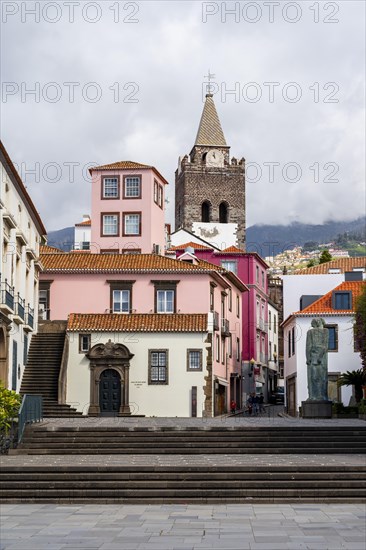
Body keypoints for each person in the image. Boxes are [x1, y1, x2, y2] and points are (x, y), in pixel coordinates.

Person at [306, 318, 329, 401]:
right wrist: (309, 358)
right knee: (315, 377)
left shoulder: (323, 331)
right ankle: (315, 396)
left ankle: (319, 396)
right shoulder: (311, 332)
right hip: (315, 357)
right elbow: (309, 346)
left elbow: (324, 346)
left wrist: (309, 358)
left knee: (318, 377)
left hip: (319, 357)